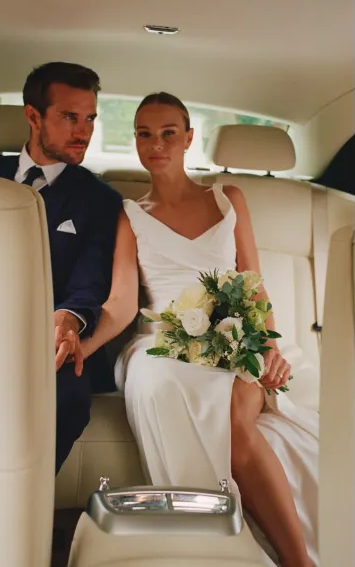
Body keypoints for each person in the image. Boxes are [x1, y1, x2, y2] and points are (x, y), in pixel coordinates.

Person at [78, 93, 321, 566]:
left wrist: (268, 346)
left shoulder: (228, 199)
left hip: (235, 336)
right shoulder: (129, 216)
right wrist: (84, 347)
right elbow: (123, 304)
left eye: (169, 133)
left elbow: (253, 287)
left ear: (189, 138)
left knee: (233, 416)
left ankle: (298, 560)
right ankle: (221, 547)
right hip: (161, 344)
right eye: (145, 134)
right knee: (158, 381)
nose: (157, 144)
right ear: (136, 142)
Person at [0, 62, 123, 474]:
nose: (83, 131)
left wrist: (68, 320)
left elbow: (90, 283)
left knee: (67, 394)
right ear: (33, 116)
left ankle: (21, 507)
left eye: (89, 118)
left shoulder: (100, 199)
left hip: (48, 337)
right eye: (69, 117)